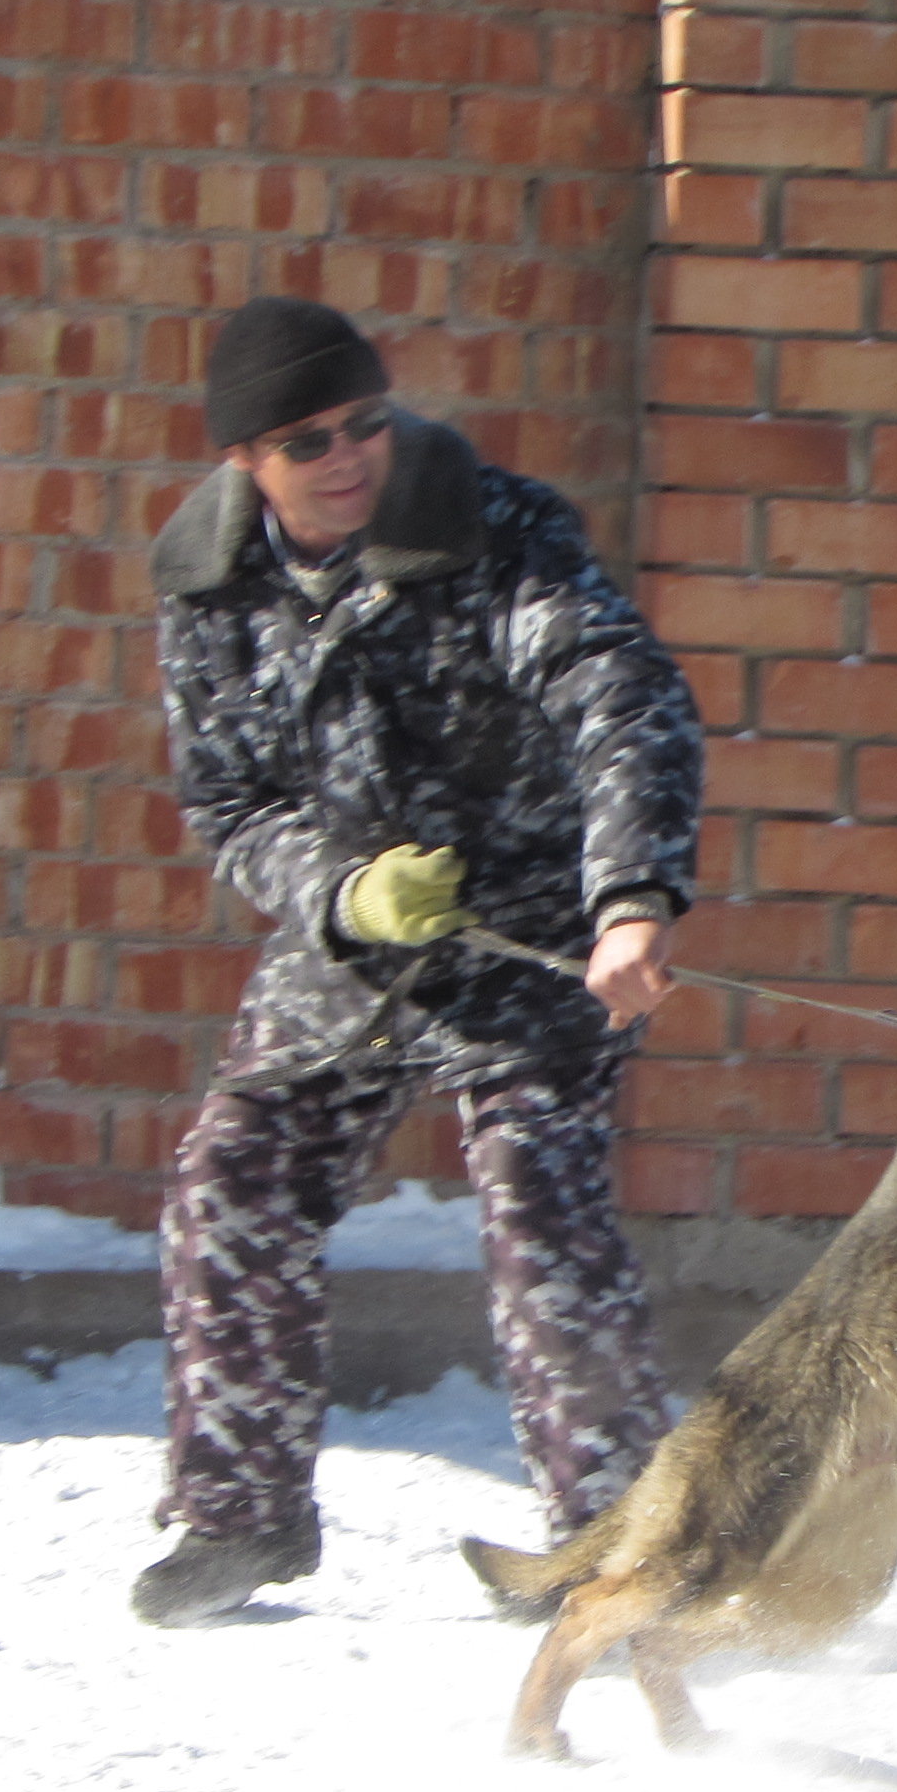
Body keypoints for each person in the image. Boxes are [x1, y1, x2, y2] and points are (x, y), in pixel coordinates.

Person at [131, 295, 703, 1625]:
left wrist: (630, 898)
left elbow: (622, 698)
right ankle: (238, 1519)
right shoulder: (211, 587)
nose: (345, 455)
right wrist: (336, 891)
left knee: (538, 1207)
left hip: (530, 927)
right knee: (232, 1179)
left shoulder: (497, 532)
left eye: (364, 422)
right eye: (305, 439)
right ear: (245, 463)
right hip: (357, 938)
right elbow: (227, 803)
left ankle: (618, 1553)